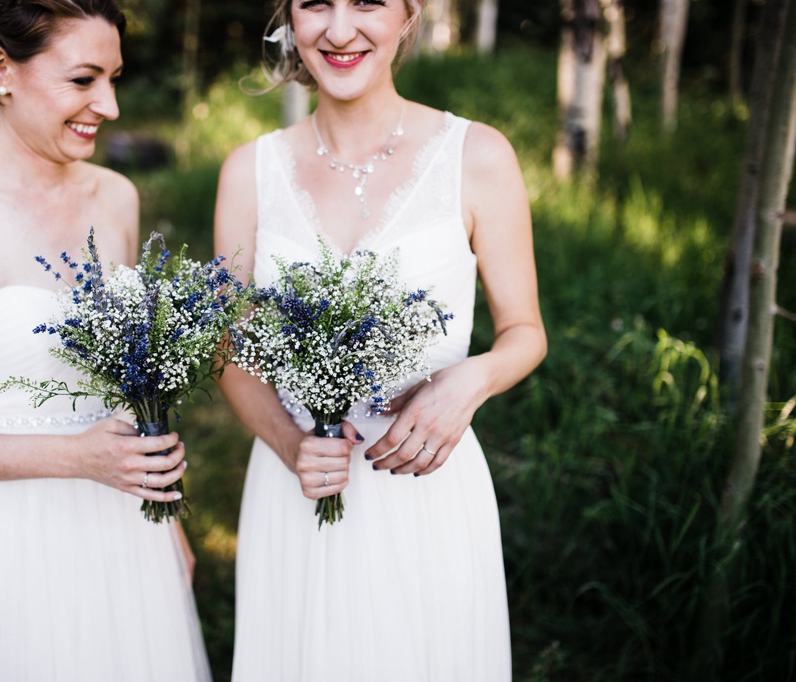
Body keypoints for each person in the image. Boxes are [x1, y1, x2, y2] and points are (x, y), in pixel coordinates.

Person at [0, 1, 211, 679]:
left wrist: (171, 522)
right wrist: (77, 458)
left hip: (121, 526)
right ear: (1, 71)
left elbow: (130, 380)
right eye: (83, 81)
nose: (107, 105)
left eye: (113, 78)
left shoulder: (116, 197)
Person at [214, 1, 547, 679]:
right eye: (315, 5)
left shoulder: (477, 155)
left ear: (409, 15)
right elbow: (230, 352)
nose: (339, 31)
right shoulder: (248, 171)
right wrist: (291, 447)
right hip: (297, 493)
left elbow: (525, 333)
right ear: (289, 19)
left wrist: (472, 380)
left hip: (426, 490)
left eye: (367, 2)